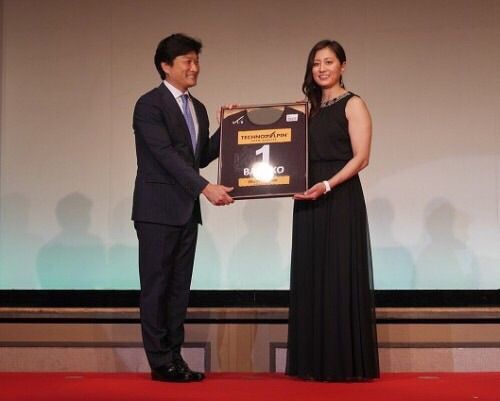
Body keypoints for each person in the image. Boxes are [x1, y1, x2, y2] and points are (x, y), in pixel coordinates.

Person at [132, 33, 233, 382]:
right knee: (157, 288)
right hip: (156, 212)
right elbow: (166, 156)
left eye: (197, 61)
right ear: (166, 65)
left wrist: (228, 129)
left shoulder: (198, 108)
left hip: (186, 212)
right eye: (187, 61)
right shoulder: (149, 105)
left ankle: (175, 356)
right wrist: (205, 188)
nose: (195, 67)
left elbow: (198, 157)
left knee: (178, 290)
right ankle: (160, 362)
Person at [286, 40, 379, 381]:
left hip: (339, 198)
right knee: (311, 276)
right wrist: (233, 123)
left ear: (343, 65)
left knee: (338, 276)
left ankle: (341, 364)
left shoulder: (354, 104)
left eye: (328, 62)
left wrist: (327, 185)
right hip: (308, 199)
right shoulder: (307, 110)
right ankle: (312, 363)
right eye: (316, 63)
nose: (321, 68)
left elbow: (362, 157)